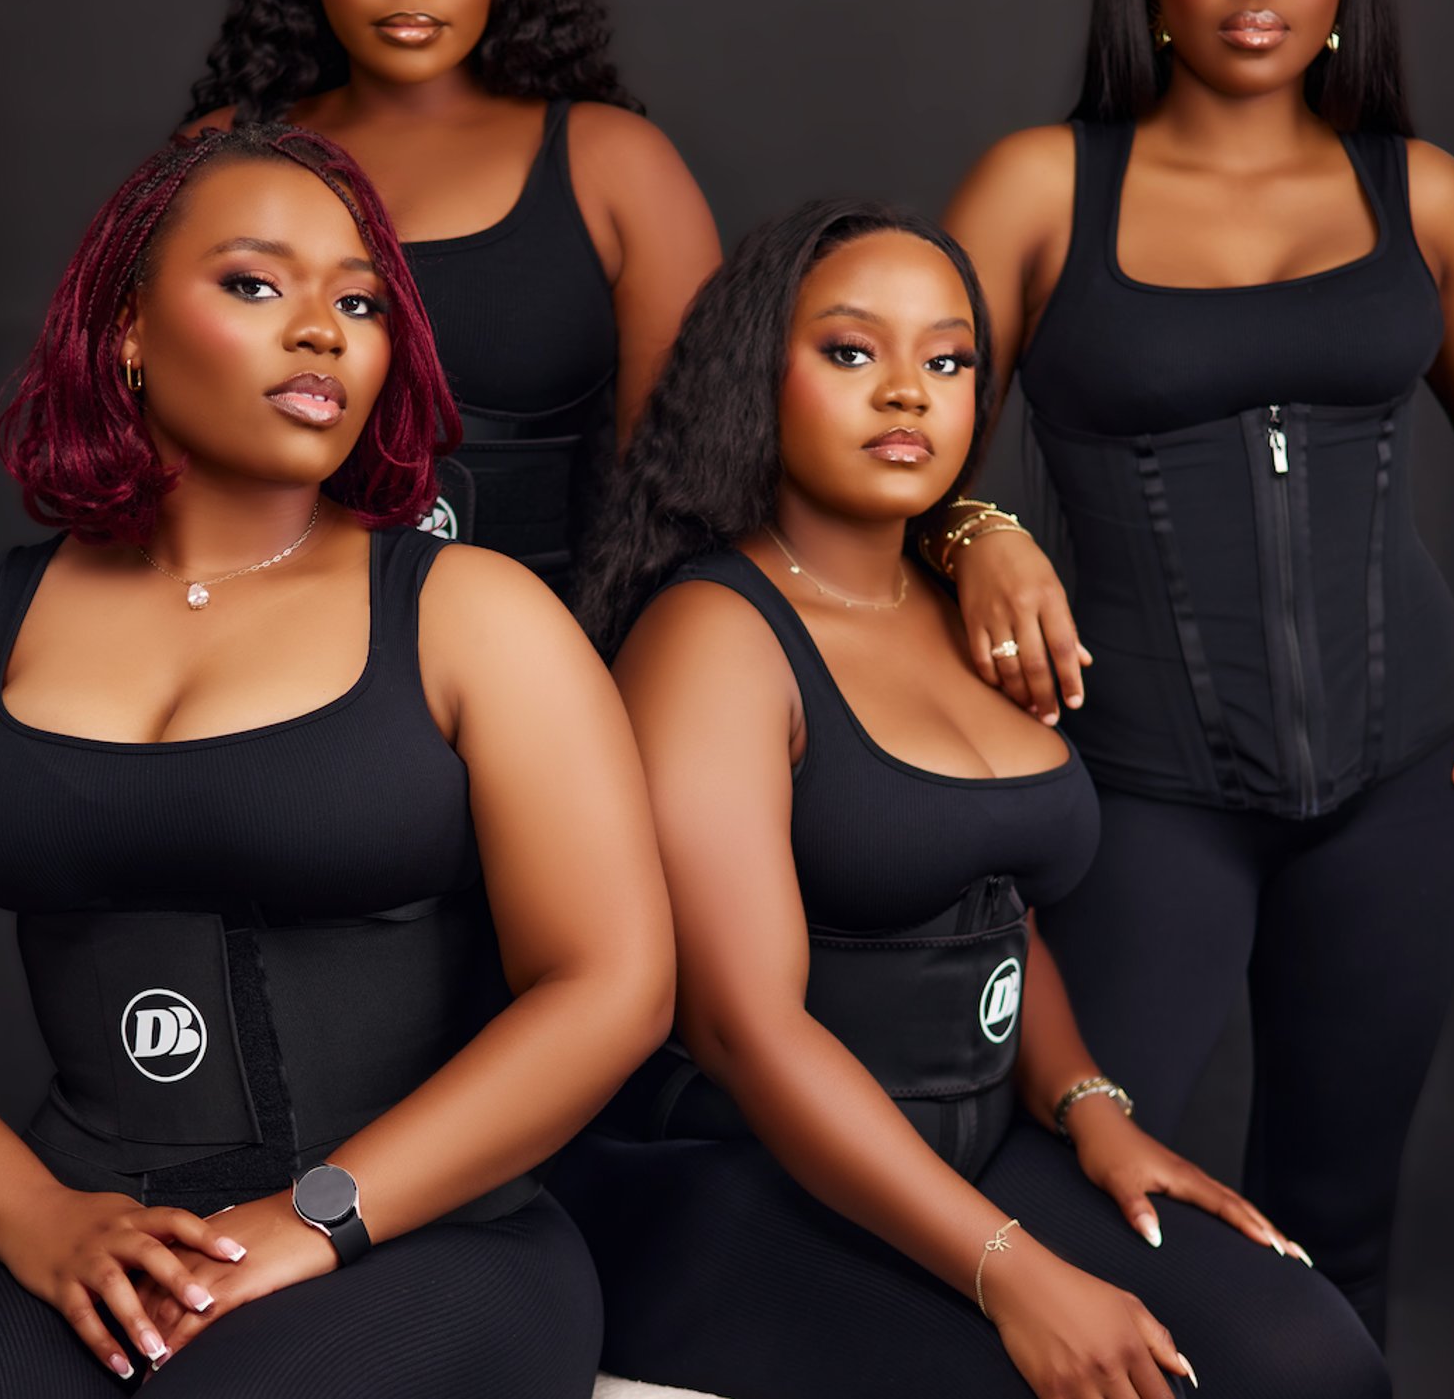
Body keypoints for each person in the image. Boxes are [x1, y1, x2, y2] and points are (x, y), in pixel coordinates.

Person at [0, 122, 675, 1397]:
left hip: (418, 1237)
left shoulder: (472, 614)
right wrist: (33, 1217)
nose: (321, 330)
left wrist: (314, 1217)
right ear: (126, 328)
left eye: (358, 300)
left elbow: (613, 983)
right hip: (80, 1232)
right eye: (256, 283)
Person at [553, 199, 1386, 1399]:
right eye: (852, 352)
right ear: (755, 378)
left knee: (1313, 1361)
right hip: (754, 1179)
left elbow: (991, 905)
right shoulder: (711, 637)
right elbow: (748, 1028)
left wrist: (1092, 1107)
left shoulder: (964, 608)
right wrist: (1015, 1272)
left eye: (947, 360)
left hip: (988, 1140)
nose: (909, 393)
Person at [940, 0, 1454, 1341]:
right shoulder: (1041, 185)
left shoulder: (1429, 198)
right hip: (1136, 786)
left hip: (1404, 786)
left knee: (1342, 1225)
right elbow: (890, 440)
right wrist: (980, 525)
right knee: (1081, 1195)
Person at [182, 0, 720, 596]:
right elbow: (144, 432)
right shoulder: (219, 157)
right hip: (257, 637)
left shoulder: (616, 165)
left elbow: (688, 491)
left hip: (551, 650)